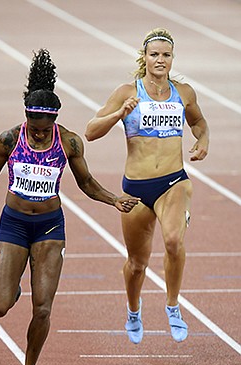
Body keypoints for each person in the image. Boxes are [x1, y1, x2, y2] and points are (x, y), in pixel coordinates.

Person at [0, 49, 138, 365]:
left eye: (45, 131)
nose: (40, 136)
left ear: (53, 122)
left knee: (43, 308)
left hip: (49, 229)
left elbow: (86, 183)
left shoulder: (69, 142)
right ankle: (12, 288)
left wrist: (112, 199)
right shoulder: (9, 140)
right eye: (35, 130)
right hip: (12, 225)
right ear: (26, 118)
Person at [85, 28, 209, 344]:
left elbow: (197, 121)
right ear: (145, 57)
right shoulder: (128, 91)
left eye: (166, 55)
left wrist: (203, 139)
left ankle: (172, 306)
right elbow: (90, 132)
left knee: (171, 241)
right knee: (137, 265)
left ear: (172, 58)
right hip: (136, 189)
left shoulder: (183, 92)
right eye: (154, 54)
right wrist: (119, 113)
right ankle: (133, 310)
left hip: (173, 182)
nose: (160, 60)